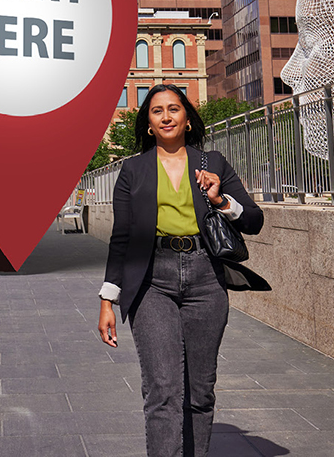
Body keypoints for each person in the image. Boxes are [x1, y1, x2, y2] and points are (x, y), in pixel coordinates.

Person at [97, 83, 268, 457]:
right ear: (148, 124)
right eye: (157, 111)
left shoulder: (214, 163)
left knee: (200, 390)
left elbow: (254, 220)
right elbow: (121, 237)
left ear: (187, 119)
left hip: (206, 278)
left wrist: (221, 199)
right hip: (151, 281)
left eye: (174, 109)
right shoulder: (133, 171)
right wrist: (108, 300)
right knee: (162, 389)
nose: (166, 116)